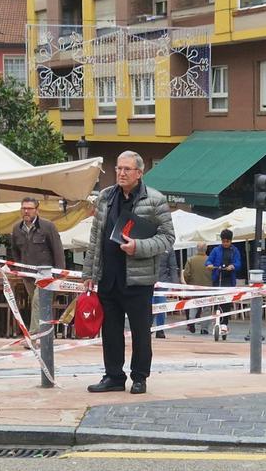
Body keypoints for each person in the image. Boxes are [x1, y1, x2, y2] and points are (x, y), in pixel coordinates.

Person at [83, 151, 175, 395]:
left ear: (139, 173)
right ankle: (113, 376)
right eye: (118, 169)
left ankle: (139, 377)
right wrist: (89, 273)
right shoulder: (105, 197)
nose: (121, 173)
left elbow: (167, 238)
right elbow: (95, 238)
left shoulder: (155, 200)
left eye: (127, 169)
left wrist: (138, 247)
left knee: (140, 332)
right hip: (108, 277)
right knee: (110, 331)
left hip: (138, 279)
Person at [11, 196, 65, 335]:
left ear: (37, 210)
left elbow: (58, 250)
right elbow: (15, 251)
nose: (26, 211)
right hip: (27, 275)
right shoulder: (17, 228)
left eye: (29, 208)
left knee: (37, 302)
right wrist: (19, 269)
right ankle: (47, 335)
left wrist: (59, 274)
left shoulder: (48, 227)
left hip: (46, 274)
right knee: (40, 306)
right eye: (24, 208)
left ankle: (34, 335)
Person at [206, 229, 242, 340]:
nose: (225, 243)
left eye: (227, 241)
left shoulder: (234, 251)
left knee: (227, 303)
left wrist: (233, 266)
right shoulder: (216, 250)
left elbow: (238, 263)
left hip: (229, 281)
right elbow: (208, 261)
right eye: (224, 241)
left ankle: (225, 324)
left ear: (230, 241)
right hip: (218, 279)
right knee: (217, 302)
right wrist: (210, 265)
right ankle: (217, 321)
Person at [183, 243, 212, 334]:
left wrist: (189, 283)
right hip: (207, 286)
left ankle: (191, 322)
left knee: (193, 305)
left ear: (196, 249)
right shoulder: (210, 260)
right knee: (206, 308)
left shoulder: (190, 260)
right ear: (206, 249)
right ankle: (204, 328)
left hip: (194, 286)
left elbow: (186, 274)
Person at [152, 249, 179, 339]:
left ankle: (160, 329)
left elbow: (173, 267)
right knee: (149, 305)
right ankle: (148, 326)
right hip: (149, 280)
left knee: (161, 305)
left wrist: (174, 284)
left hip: (162, 281)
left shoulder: (169, 248)